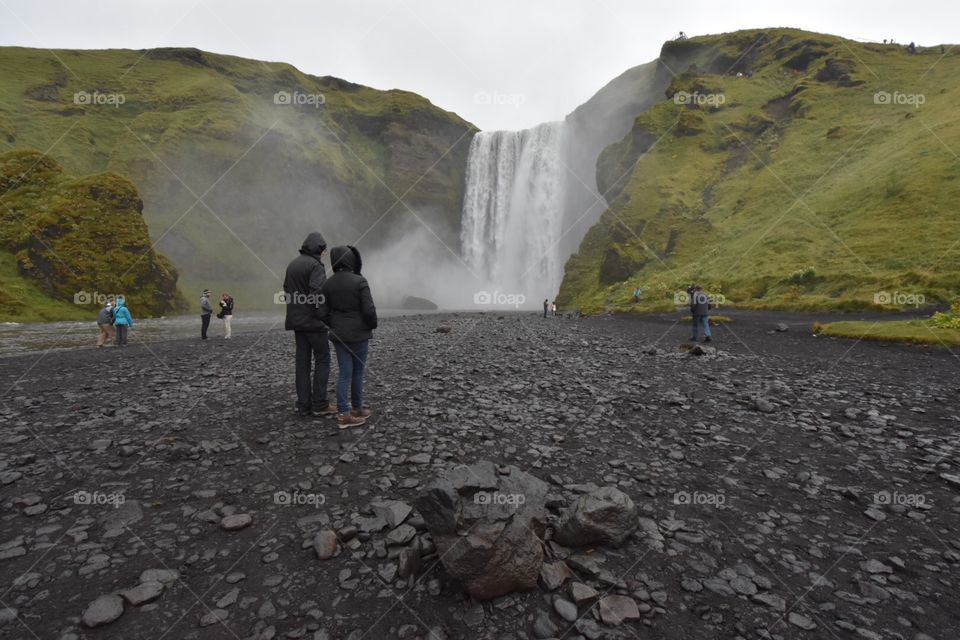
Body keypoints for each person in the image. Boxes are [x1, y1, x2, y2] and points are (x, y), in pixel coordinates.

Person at [323, 245, 377, 429]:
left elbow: (321, 312)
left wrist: (334, 324)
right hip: (359, 333)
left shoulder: (328, 283)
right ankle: (357, 408)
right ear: (351, 260)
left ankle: (343, 413)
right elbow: (369, 309)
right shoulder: (360, 281)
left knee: (344, 373)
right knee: (358, 372)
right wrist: (371, 325)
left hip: (339, 335)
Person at [283, 232, 335, 418]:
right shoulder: (315, 265)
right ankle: (320, 404)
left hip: (297, 322)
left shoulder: (292, 264)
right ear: (319, 249)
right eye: (323, 251)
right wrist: (325, 318)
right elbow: (317, 293)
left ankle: (303, 405)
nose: (324, 254)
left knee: (302, 362)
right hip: (313, 322)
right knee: (323, 359)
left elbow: (287, 290)